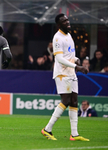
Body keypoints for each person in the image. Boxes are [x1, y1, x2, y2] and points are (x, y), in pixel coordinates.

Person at [41, 13, 89, 141]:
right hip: (62, 73)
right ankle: (47, 129)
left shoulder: (69, 35)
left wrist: (77, 59)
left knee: (74, 101)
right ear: (59, 25)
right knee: (66, 100)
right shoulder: (57, 37)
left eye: (67, 20)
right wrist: (77, 67)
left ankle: (74, 134)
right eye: (64, 21)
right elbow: (59, 58)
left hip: (71, 73)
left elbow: (69, 54)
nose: (68, 23)